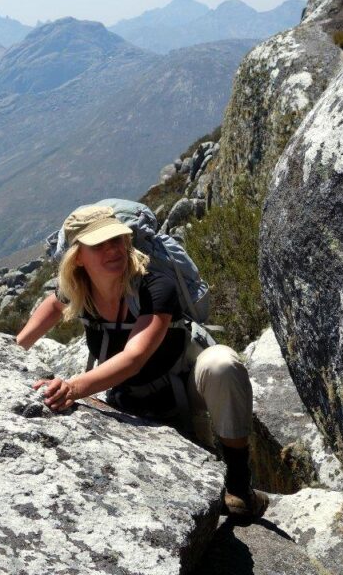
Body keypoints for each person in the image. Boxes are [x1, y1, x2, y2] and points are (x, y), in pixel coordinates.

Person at [16, 204, 269, 519]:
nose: (113, 251)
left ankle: (239, 483)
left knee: (222, 363)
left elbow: (135, 357)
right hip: (129, 399)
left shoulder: (153, 284)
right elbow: (54, 304)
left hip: (184, 388)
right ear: (79, 257)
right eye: (99, 245)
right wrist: (16, 347)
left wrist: (72, 387)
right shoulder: (82, 289)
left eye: (117, 240)